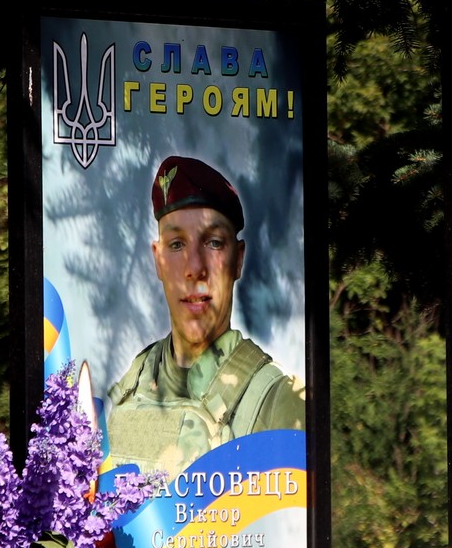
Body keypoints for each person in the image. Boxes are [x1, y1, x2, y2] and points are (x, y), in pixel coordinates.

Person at [105, 156, 305, 474]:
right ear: (158, 260)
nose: (194, 267)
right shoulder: (133, 382)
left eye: (213, 243)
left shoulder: (280, 402)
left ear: (238, 259)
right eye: (176, 244)